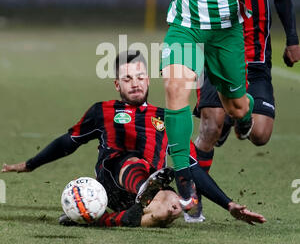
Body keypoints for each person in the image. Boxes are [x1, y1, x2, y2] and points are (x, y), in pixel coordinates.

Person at [137, 0, 295, 211]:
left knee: (238, 107)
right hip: (185, 25)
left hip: (225, 32)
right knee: (175, 88)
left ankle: (242, 115)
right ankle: (184, 177)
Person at [2, 50, 266, 226]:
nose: (135, 83)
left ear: (148, 80)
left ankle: (110, 219)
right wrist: (30, 164)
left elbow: (192, 167)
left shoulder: (167, 117)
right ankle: (140, 191)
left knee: (172, 208)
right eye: (127, 79)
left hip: (149, 186)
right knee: (132, 161)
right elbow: (68, 142)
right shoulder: (102, 111)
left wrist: (228, 204)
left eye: (140, 77)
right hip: (114, 183)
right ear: (118, 85)